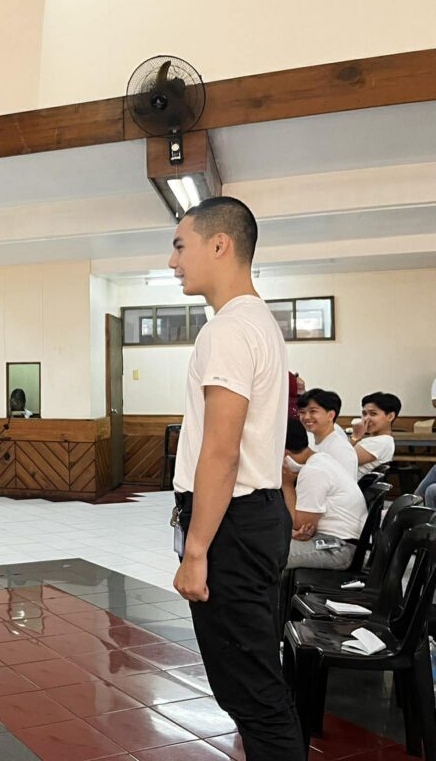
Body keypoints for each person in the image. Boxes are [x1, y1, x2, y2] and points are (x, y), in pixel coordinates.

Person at [169, 196, 304, 760]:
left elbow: (222, 452)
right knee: (255, 683)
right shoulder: (259, 322)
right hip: (255, 516)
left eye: (181, 246)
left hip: (232, 525)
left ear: (219, 244)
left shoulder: (227, 330)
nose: (173, 261)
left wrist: (196, 550)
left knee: (252, 695)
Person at [282, 418, 367, 570]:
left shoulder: (313, 471)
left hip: (339, 547)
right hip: (336, 541)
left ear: (284, 452)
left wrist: (287, 484)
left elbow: (299, 525)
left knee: (266, 556)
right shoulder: (321, 458)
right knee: (266, 546)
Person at [297, 388, 357, 480]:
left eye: (313, 411)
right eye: (302, 412)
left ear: (331, 415)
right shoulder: (309, 440)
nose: (306, 417)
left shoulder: (341, 449)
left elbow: (345, 485)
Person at [351, 391, 400, 479]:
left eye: (373, 414)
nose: (366, 418)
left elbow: (341, 460)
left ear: (390, 416)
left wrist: (355, 437)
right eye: (364, 414)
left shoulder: (380, 441)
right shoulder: (378, 440)